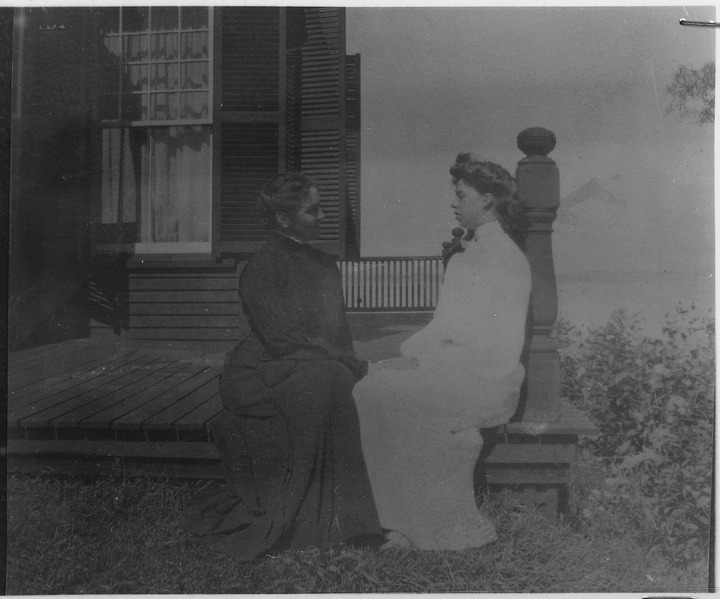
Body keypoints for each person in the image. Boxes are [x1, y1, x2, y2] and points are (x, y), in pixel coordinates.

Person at [182, 172, 384, 560]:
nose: (323, 216)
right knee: (328, 381)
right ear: (283, 219)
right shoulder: (262, 267)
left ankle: (356, 523)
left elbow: (338, 331)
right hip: (263, 370)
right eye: (314, 210)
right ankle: (316, 524)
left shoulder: (325, 264)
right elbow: (281, 338)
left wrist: (352, 364)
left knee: (341, 381)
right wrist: (345, 362)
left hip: (313, 363)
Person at [353, 154, 532, 551]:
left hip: (488, 379)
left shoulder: (505, 260)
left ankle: (434, 525)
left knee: (398, 395)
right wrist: (412, 356)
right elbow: (444, 327)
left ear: (487, 200)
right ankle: (394, 520)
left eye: (461, 195)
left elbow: (496, 347)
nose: (454, 203)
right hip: (455, 368)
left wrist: (425, 364)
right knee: (370, 387)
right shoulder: (469, 257)